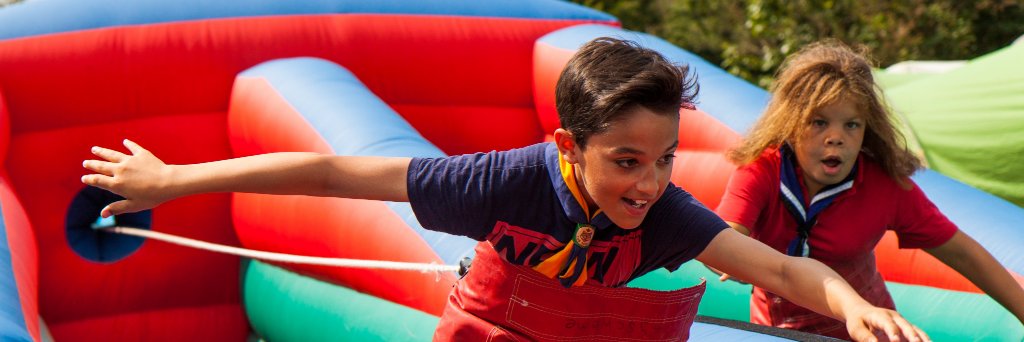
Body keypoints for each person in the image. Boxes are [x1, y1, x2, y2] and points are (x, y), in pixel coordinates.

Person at [82, 37, 927, 341]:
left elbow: (776, 269)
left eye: (666, 157)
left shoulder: (660, 213)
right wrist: (174, 178)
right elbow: (337, 170)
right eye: (626, 161)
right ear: (569, 146)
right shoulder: (507, 180)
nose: (651, 181)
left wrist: (850, 305)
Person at [715, 40, 1024, 339]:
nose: (836, 137)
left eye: (852, 125)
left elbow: (965, 254)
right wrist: (733, 258)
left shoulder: (883, 186)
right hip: (778, 331)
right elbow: (724, 237)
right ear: (790, 123)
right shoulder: (762, 171)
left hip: (871, 329)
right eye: (819, 122)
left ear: (868, 128)